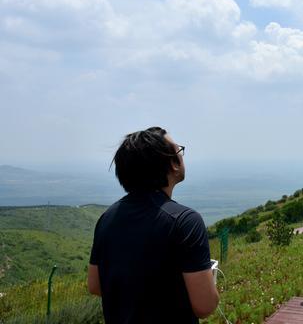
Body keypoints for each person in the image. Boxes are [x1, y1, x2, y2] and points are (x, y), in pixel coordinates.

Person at [87, 127, 219, 323]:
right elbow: (205, 306)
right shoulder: (185, 221)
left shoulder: (107, 218)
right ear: (171, 164)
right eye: (178, 150)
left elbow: (95, 286)